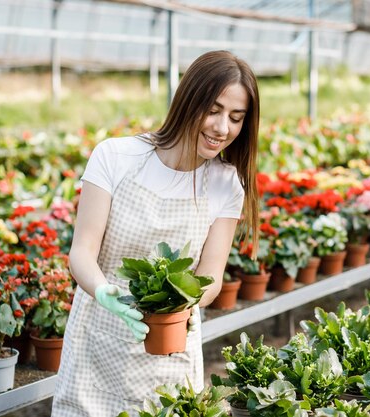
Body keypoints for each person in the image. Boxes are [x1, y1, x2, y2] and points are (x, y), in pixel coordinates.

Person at [52, 50, 260, 417]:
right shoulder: (116, 157)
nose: (222, 128)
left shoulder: (226, 184)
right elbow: (82, 251)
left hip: (172, 340)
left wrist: (187, 302)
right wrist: (105, 293)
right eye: (213, 110)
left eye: (236, 118)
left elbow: (210, 276)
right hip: (98, 333)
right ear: (187, 99)